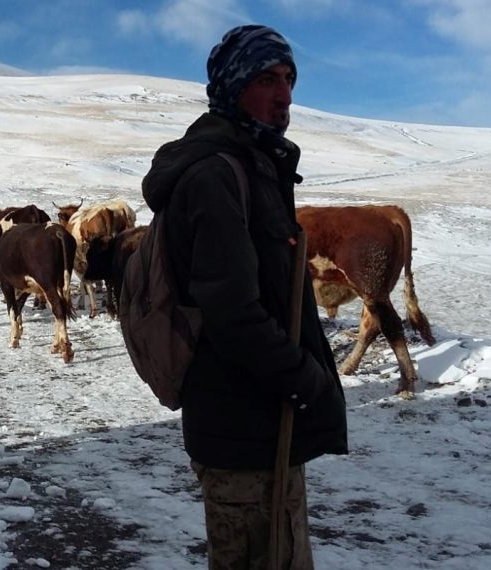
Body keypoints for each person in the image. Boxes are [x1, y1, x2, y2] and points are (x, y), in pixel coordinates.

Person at [140, 25, 348, 568]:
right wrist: (307, 380)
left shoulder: (255, 165)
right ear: (234, 87)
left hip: (262, 417)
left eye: (289, 78)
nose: (284, 95)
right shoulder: (216, 175)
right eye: (266, 79)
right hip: (243, 426)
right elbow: (233, 313)